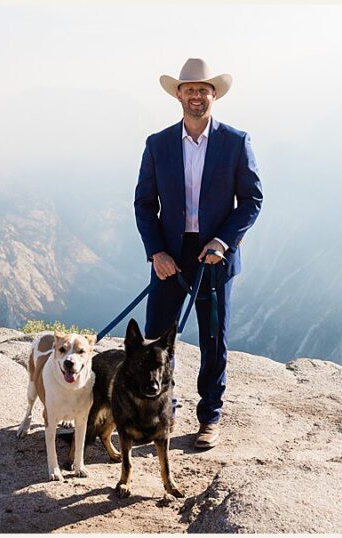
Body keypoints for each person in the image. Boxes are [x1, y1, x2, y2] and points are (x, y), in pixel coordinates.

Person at [134, 59, 263, 449]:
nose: (196, 95)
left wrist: (222, 242)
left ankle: (209, 418)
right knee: (155, 340)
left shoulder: (236, 142)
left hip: (215, 256)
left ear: (213, 95)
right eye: (189, 89)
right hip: (171, 254)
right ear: (178, 94)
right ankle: (159, 414)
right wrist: (156, 251)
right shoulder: (157, 144)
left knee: (213, 339)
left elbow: (252, 200)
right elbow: (144, 204)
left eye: (203, 90)